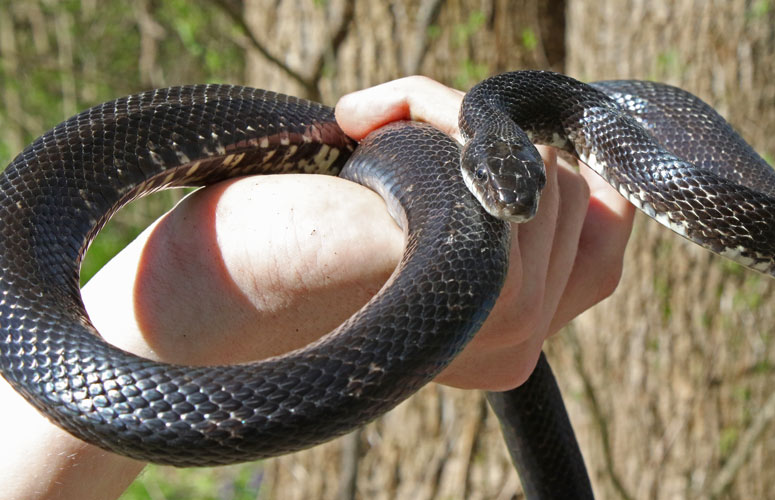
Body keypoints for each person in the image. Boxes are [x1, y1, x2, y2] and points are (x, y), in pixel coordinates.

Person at [0, 76, 634, 500]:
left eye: (515, 192)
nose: (511, 208)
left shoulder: (509, 127)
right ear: (474, 158)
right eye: (492, 191)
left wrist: (210, 278)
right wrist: (218, 275)